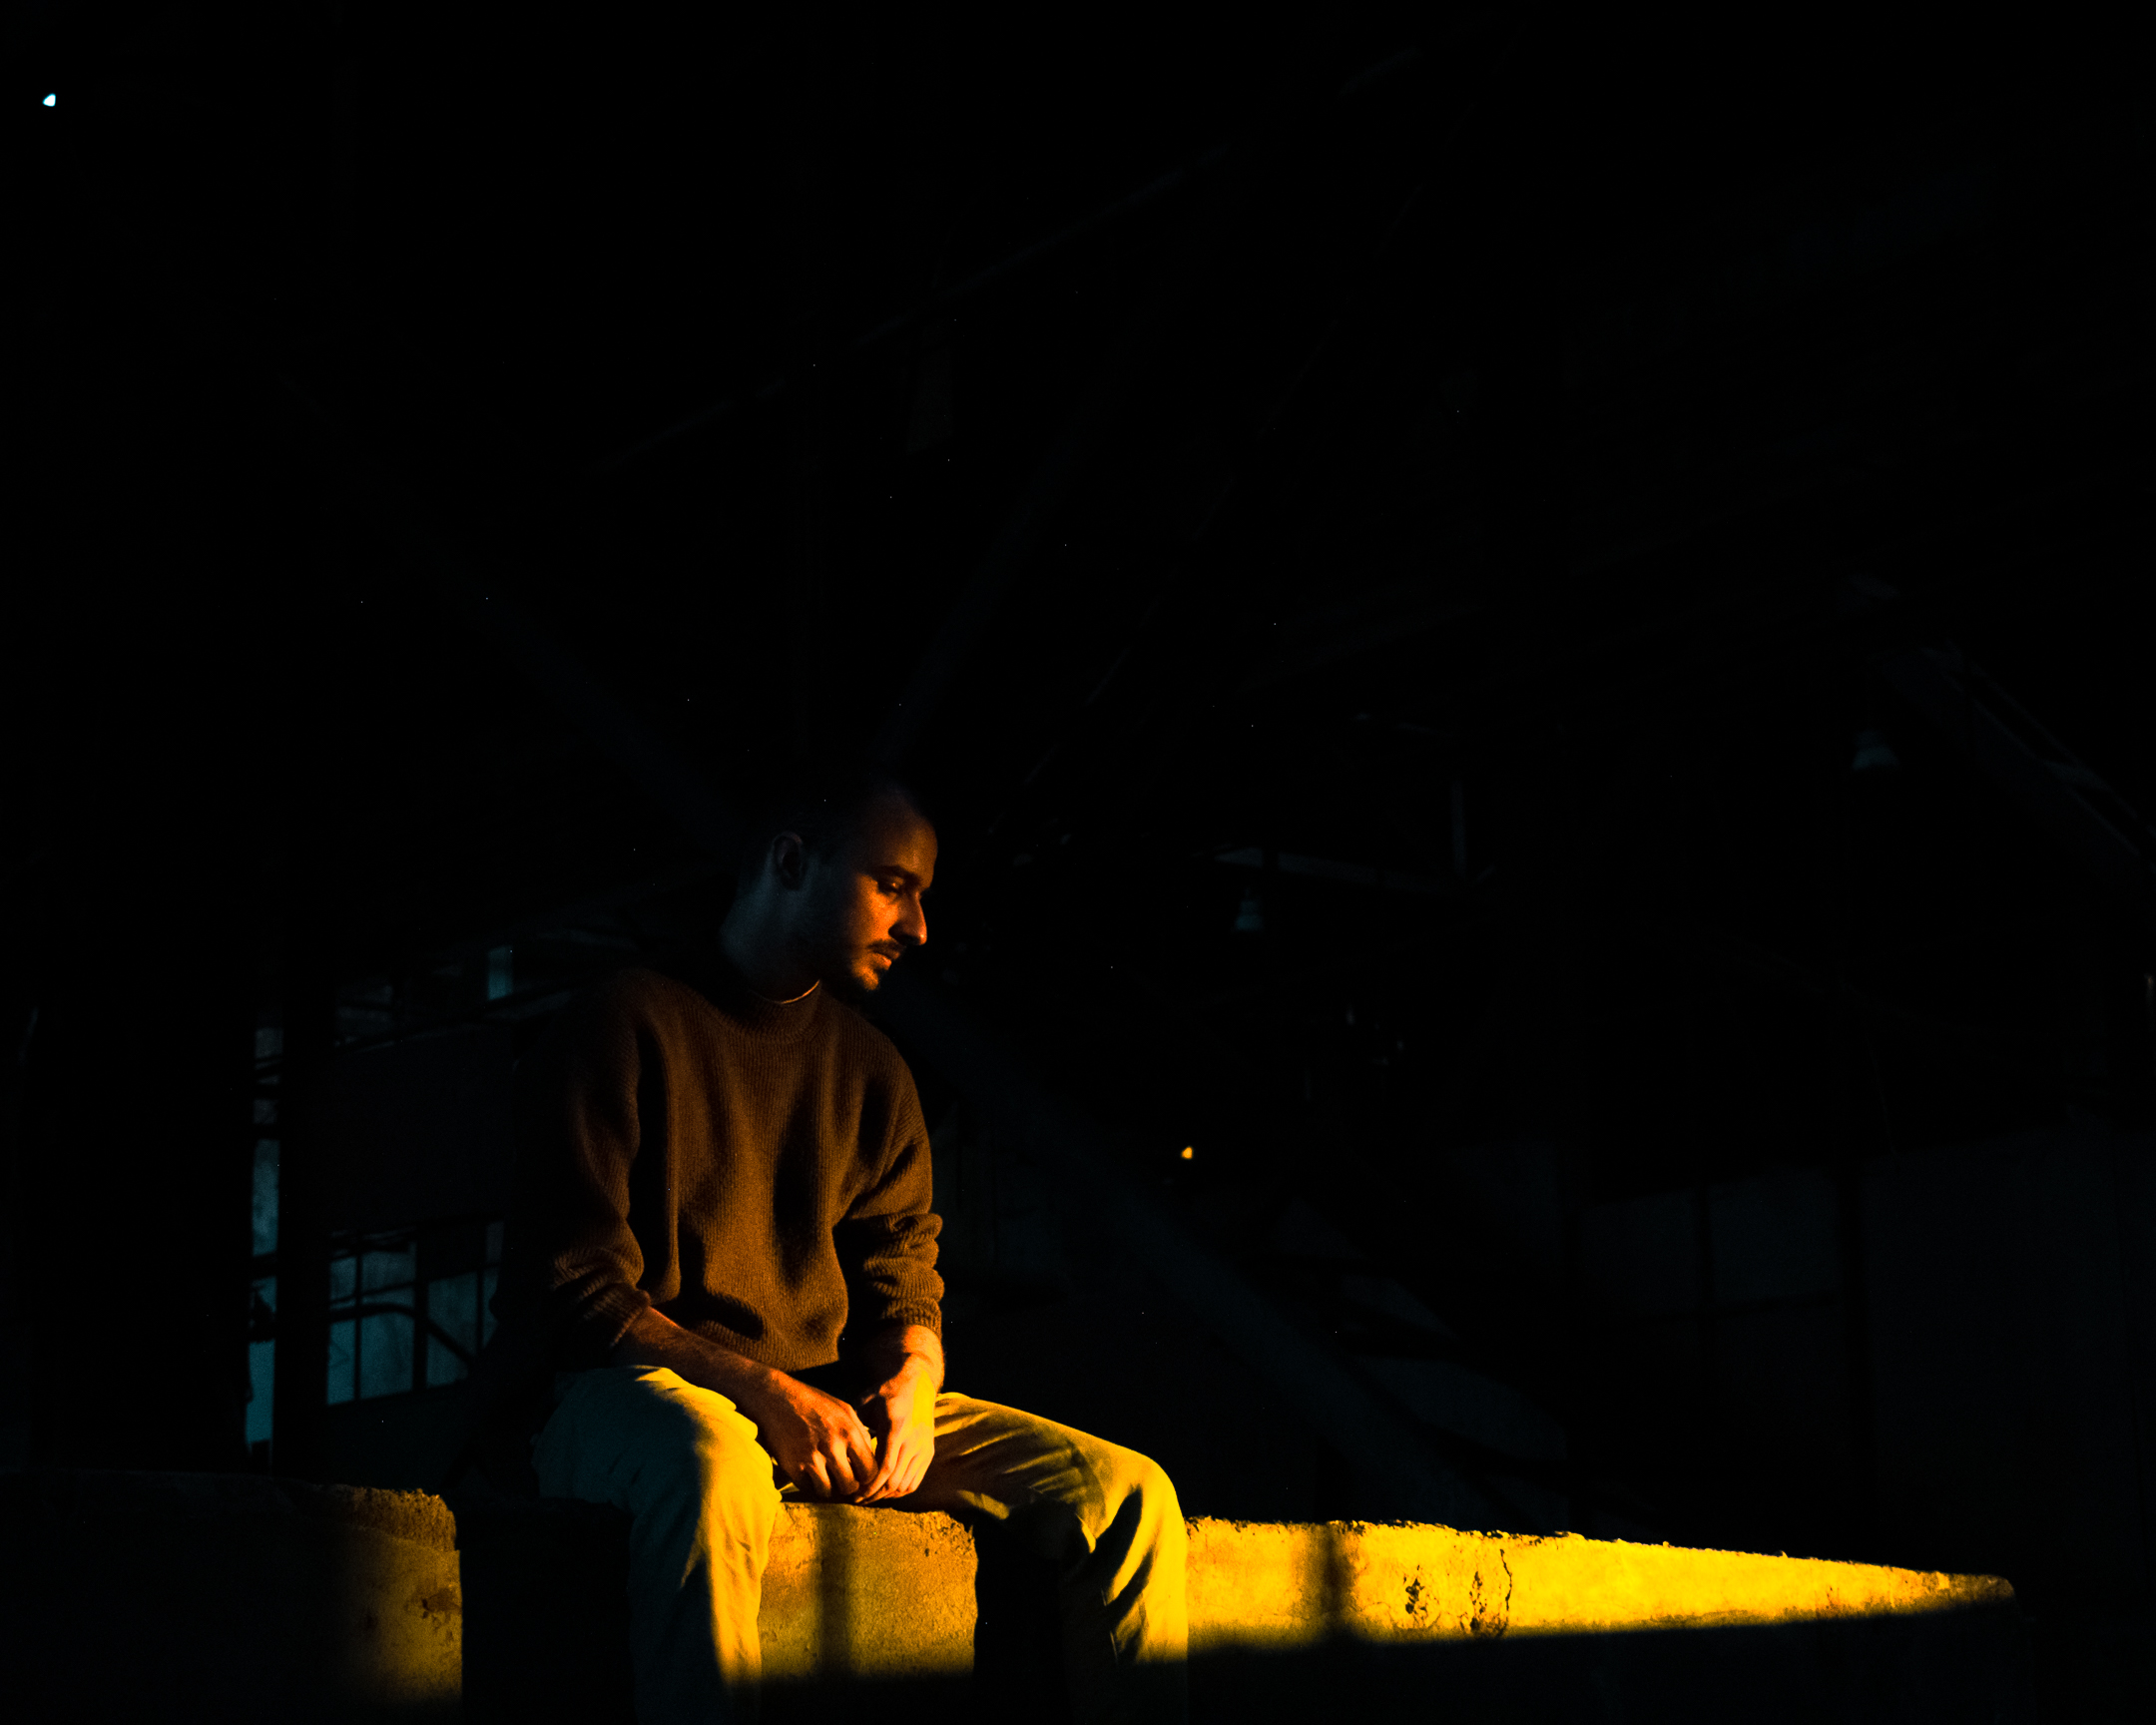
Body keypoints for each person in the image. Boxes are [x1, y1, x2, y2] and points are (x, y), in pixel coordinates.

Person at [487, 765, 1188, 1724]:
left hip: (826, 1410)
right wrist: (767, 1393)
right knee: (709, 1464)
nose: (919, 927)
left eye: (922, 895)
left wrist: (914, 1384)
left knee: (1128, 1495)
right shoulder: (622, 1022)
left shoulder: (874, 1072)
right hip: (624, 1398)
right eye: (892, 885)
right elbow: (578, 1292)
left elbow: (905, 1277)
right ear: (790, 863)